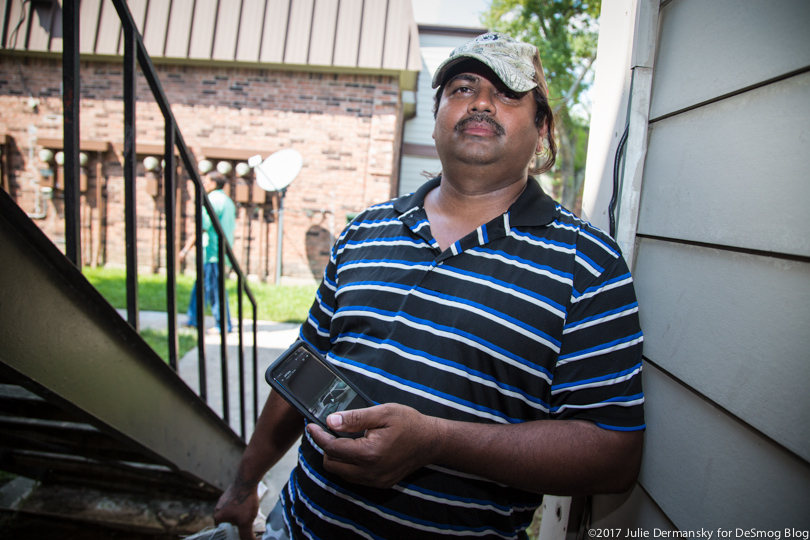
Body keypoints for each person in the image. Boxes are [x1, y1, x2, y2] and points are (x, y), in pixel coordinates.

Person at [215, 33, 645, 540]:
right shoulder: (365, 230)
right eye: (462, 87)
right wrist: (244, 485)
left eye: (508, 92)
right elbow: (306, 363)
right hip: (299, 524)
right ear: (437, 112)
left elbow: (613, 454)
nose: (481, 102)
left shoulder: (588, 265)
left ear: (542, 126)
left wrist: (436, 442)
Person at [180, 171, 236, 334]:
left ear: (213, 184)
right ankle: (193, 318)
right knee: (201, 286)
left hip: (213, 252)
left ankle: (223, 324)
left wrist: (185, 249)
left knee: (214, 289)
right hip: (219, 251)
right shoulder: (227, 201)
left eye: (206, 181)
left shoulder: (212, 200)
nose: (204, 184)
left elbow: (202, 227)